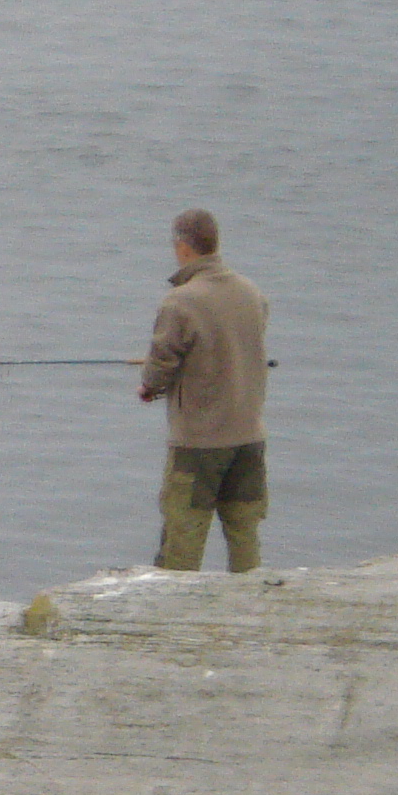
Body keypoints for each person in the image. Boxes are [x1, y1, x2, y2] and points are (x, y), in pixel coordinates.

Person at [138, 207, 272, 573]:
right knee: (245, 536)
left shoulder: (181, 302)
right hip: (248, 437)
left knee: (182, 542)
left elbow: (161, 365)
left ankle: (175, 605)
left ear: (183, 246)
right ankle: (251, 598)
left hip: (199, 442)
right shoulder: (252, 293)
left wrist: (148, 387)